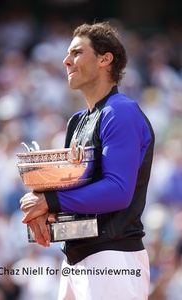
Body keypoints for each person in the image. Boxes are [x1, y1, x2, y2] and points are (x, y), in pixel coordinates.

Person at [20, 22, 155, 299]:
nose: (66, 60)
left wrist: (49, 202)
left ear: (106, 59)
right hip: (75, 259)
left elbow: (118, 191)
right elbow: (72, 186)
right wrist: (43, 209)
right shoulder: (77, 121)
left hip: (113, 257)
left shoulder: (122, 111)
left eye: (77, 52)